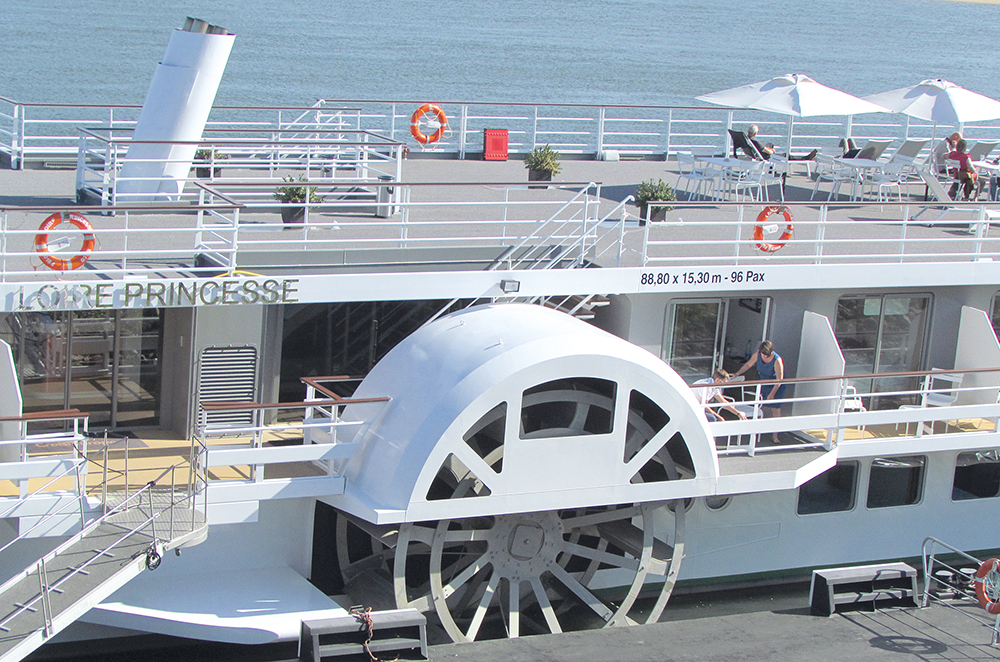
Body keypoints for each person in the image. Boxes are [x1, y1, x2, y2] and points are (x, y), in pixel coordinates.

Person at [734, 340, 785, 444]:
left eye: (767, 355)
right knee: (760, 406)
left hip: (775, 385)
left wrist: (772, 394)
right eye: (763, 354)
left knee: (775, 409)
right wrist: (737, 373)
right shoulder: (757, 355)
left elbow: (779, 380)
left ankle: (775, 435)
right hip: (763, 383)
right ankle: (756, 431)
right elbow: (748, 365)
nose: (765, 356)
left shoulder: (777, 360)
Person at [746, 124, 817, 161]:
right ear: (755, 133)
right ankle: (805, 158)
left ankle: (806, 157)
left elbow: (763, 149)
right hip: (765, 156)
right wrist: (772, 150)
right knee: (786, 156)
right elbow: (769, 152)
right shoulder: (755, 142)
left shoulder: (747, 140)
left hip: (757, 154)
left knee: (770, 144)